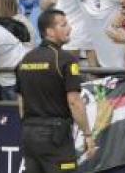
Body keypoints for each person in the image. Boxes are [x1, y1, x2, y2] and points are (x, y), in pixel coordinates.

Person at [15, 9, 96, 173]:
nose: (70, 28)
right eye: (63, 24)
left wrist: (29, 125)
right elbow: (74, 101)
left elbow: (21, 100)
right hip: (55, 134)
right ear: (50, 32)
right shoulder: (66, 59)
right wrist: (87, 134)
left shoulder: (26, 59)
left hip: (29, 131)